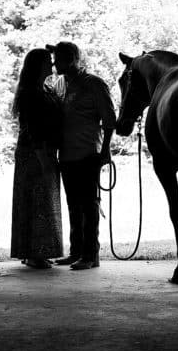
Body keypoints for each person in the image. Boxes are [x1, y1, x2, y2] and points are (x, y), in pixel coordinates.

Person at [47, 41, 116, 270]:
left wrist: (105, 149)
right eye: (55, 59)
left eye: (60, 59)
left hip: (88, 152)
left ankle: (90, 255)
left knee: (89, 204)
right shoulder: (59, 84)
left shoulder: (94, 84)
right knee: (72, 205)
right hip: (66, 154)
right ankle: (75, 251)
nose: (55, 63)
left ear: (74, 59)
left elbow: (108, 120)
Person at [10, 48, 64, 269]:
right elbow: (34, 128)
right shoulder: (31, 93)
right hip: (34, 152)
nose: (52, 67)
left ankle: (35, 252)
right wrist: (43, 157)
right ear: (38, 66)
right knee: (37, 202)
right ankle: (34, 254)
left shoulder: (44, 89)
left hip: (43, 150)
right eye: (48, 63)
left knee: (42, 201)